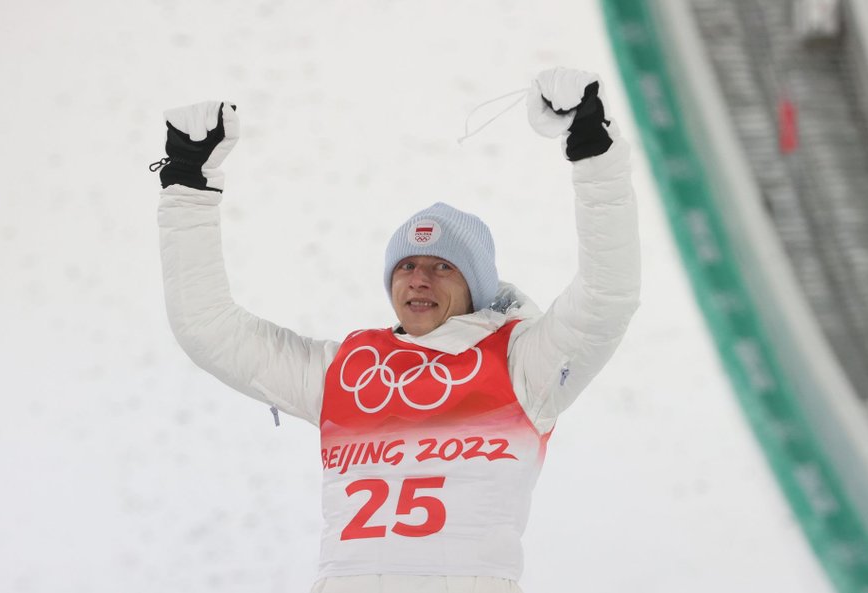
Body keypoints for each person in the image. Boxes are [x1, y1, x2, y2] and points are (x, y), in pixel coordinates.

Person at [155, 67, 640, 593]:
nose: (419, 279)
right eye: (406, 266)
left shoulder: (525, 364)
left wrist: (594, 152)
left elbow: (605, 299)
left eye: (443, 266)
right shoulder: (345, 371)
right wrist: (188, 186)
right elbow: (206, 327)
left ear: (475, 284)